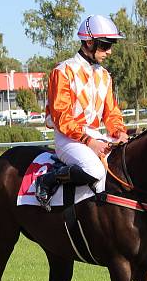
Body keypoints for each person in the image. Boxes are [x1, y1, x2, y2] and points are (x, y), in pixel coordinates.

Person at [34, 14, 129, 210]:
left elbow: (111, 113)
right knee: (95, 170)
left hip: (94, 136)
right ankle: (48, 180)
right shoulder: (62, 71)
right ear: (88, 41)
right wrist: (88, 141)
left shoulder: (105, 76)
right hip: (68, 138)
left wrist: (119, 133)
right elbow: (61, 117)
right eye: (104, 45)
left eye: (111, 45)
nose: (109, 51)